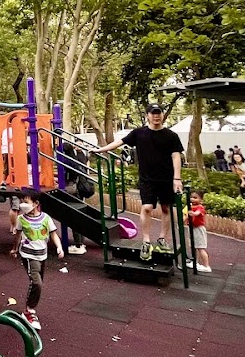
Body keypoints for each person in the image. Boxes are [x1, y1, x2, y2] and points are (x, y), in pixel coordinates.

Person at [91, 103, 183, 251]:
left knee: (166, 208)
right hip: (147, 178)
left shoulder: (171, 136)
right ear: (148, 116)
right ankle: (146, 240)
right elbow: (120, 142)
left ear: (163, 115)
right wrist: (100, 150)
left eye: (158, 113)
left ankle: (162, 238)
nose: (156, 116)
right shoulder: (139, 133)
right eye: (153, 113)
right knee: (147, 207)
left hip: (166, 178)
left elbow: (176, 156)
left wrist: (177, 179)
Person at [13, 189, 63, 331]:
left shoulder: (45, 218)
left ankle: (30, 308)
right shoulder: (21, 219)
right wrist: (15, 249)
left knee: (38, 282)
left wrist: (59, 247)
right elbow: (17, 235)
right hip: (28, 255)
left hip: (42, 255)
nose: (23, 205)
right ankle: (29, 311)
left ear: (35, 204)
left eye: (26, 202)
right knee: (36, 283)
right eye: (21, 202)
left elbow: (53, 234)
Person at [187, 189, 213, 273]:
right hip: (193, 228)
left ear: (201, 200)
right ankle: (195, 262)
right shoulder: (190, 206)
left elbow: (198, 213)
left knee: (200, 247)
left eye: (195, 198)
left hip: (198, 229)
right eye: (191, 197)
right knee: (194, 247)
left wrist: (193, 214)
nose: (192, 199)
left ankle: (206, 266)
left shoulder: (200, 207)